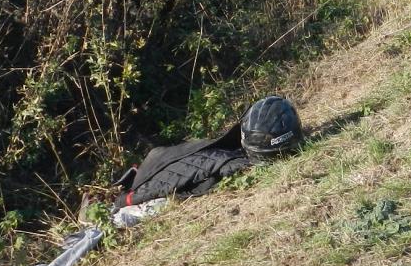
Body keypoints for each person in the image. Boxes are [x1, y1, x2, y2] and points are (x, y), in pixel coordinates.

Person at [110, 95, 303, 223]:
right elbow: (180, 173)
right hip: (149, 170)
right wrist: (127, 199)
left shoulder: (230, 156)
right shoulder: (228, 155)